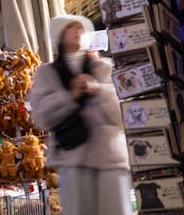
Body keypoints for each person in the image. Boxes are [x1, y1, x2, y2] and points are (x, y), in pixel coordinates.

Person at [28, 15, 131, 215]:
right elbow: (41, 115)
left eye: (81, 28)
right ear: (59, 35)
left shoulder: (104, 67)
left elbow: (122, 111)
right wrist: (70, 96)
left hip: (108, 156)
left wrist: (98, 90)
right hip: (73, 157)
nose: (78, 32)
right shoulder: (46, 74)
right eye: (71, 28)